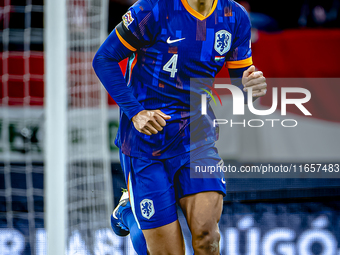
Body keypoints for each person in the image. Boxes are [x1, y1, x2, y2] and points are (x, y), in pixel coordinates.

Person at [93, 0, 267, 254]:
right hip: (146, 142)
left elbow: (241, 86)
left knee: (208, 239)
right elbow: (104, 59)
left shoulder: (234, 16)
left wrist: (252, 90)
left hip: (196, 137)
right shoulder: (153, 9)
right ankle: (131, 213)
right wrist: (136, 112)